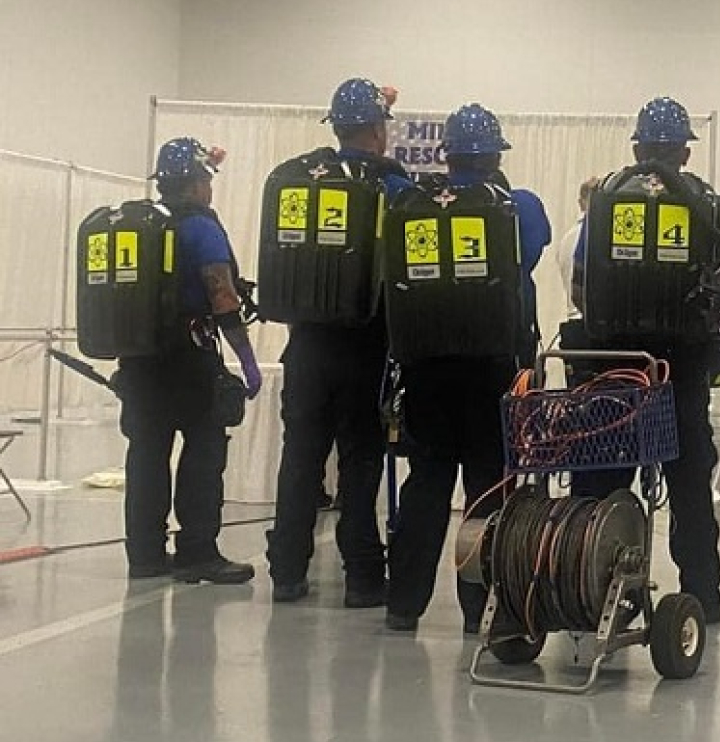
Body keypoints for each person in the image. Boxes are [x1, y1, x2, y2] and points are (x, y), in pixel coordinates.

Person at [570, 96, 720, 625]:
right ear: (684, 154)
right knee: (691, 487)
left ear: (636, 146)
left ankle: (592, 593)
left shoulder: (605, 198)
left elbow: (584, 284)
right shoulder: (702, 200)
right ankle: (704, 596)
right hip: (681, 371)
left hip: (615, 365)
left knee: (603, 484)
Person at [385, 103, 551, 633]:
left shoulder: (409, 203)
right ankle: (479, 610)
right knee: (486, 489)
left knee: (427, 484)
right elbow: (529, 254)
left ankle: (403, 604)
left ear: (447, 154)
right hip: (491, 368)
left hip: (426, 367)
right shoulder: (518, 205)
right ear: (494, 157)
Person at [264, 78, 413, 607]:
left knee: (300, 457)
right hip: (365, 347)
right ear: (377, 129)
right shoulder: (392, 185)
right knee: (360, 460)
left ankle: (286, 570)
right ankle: (363, 577)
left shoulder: (298, 180)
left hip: (305, 346)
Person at [121, 137, 261, 584]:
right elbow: (221, 295)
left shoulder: (140, 224)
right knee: (203, 451)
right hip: (188, 358)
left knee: (146, 453)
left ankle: (144, 554)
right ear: (199, 182)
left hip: (139, 359)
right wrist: (246, 357)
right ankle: (198, 551)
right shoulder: (201, 228)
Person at [557, 176, 600, 317]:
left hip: (574, 318)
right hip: (594, 320)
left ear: (581, 203)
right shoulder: (598, 235)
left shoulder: (567, 239)